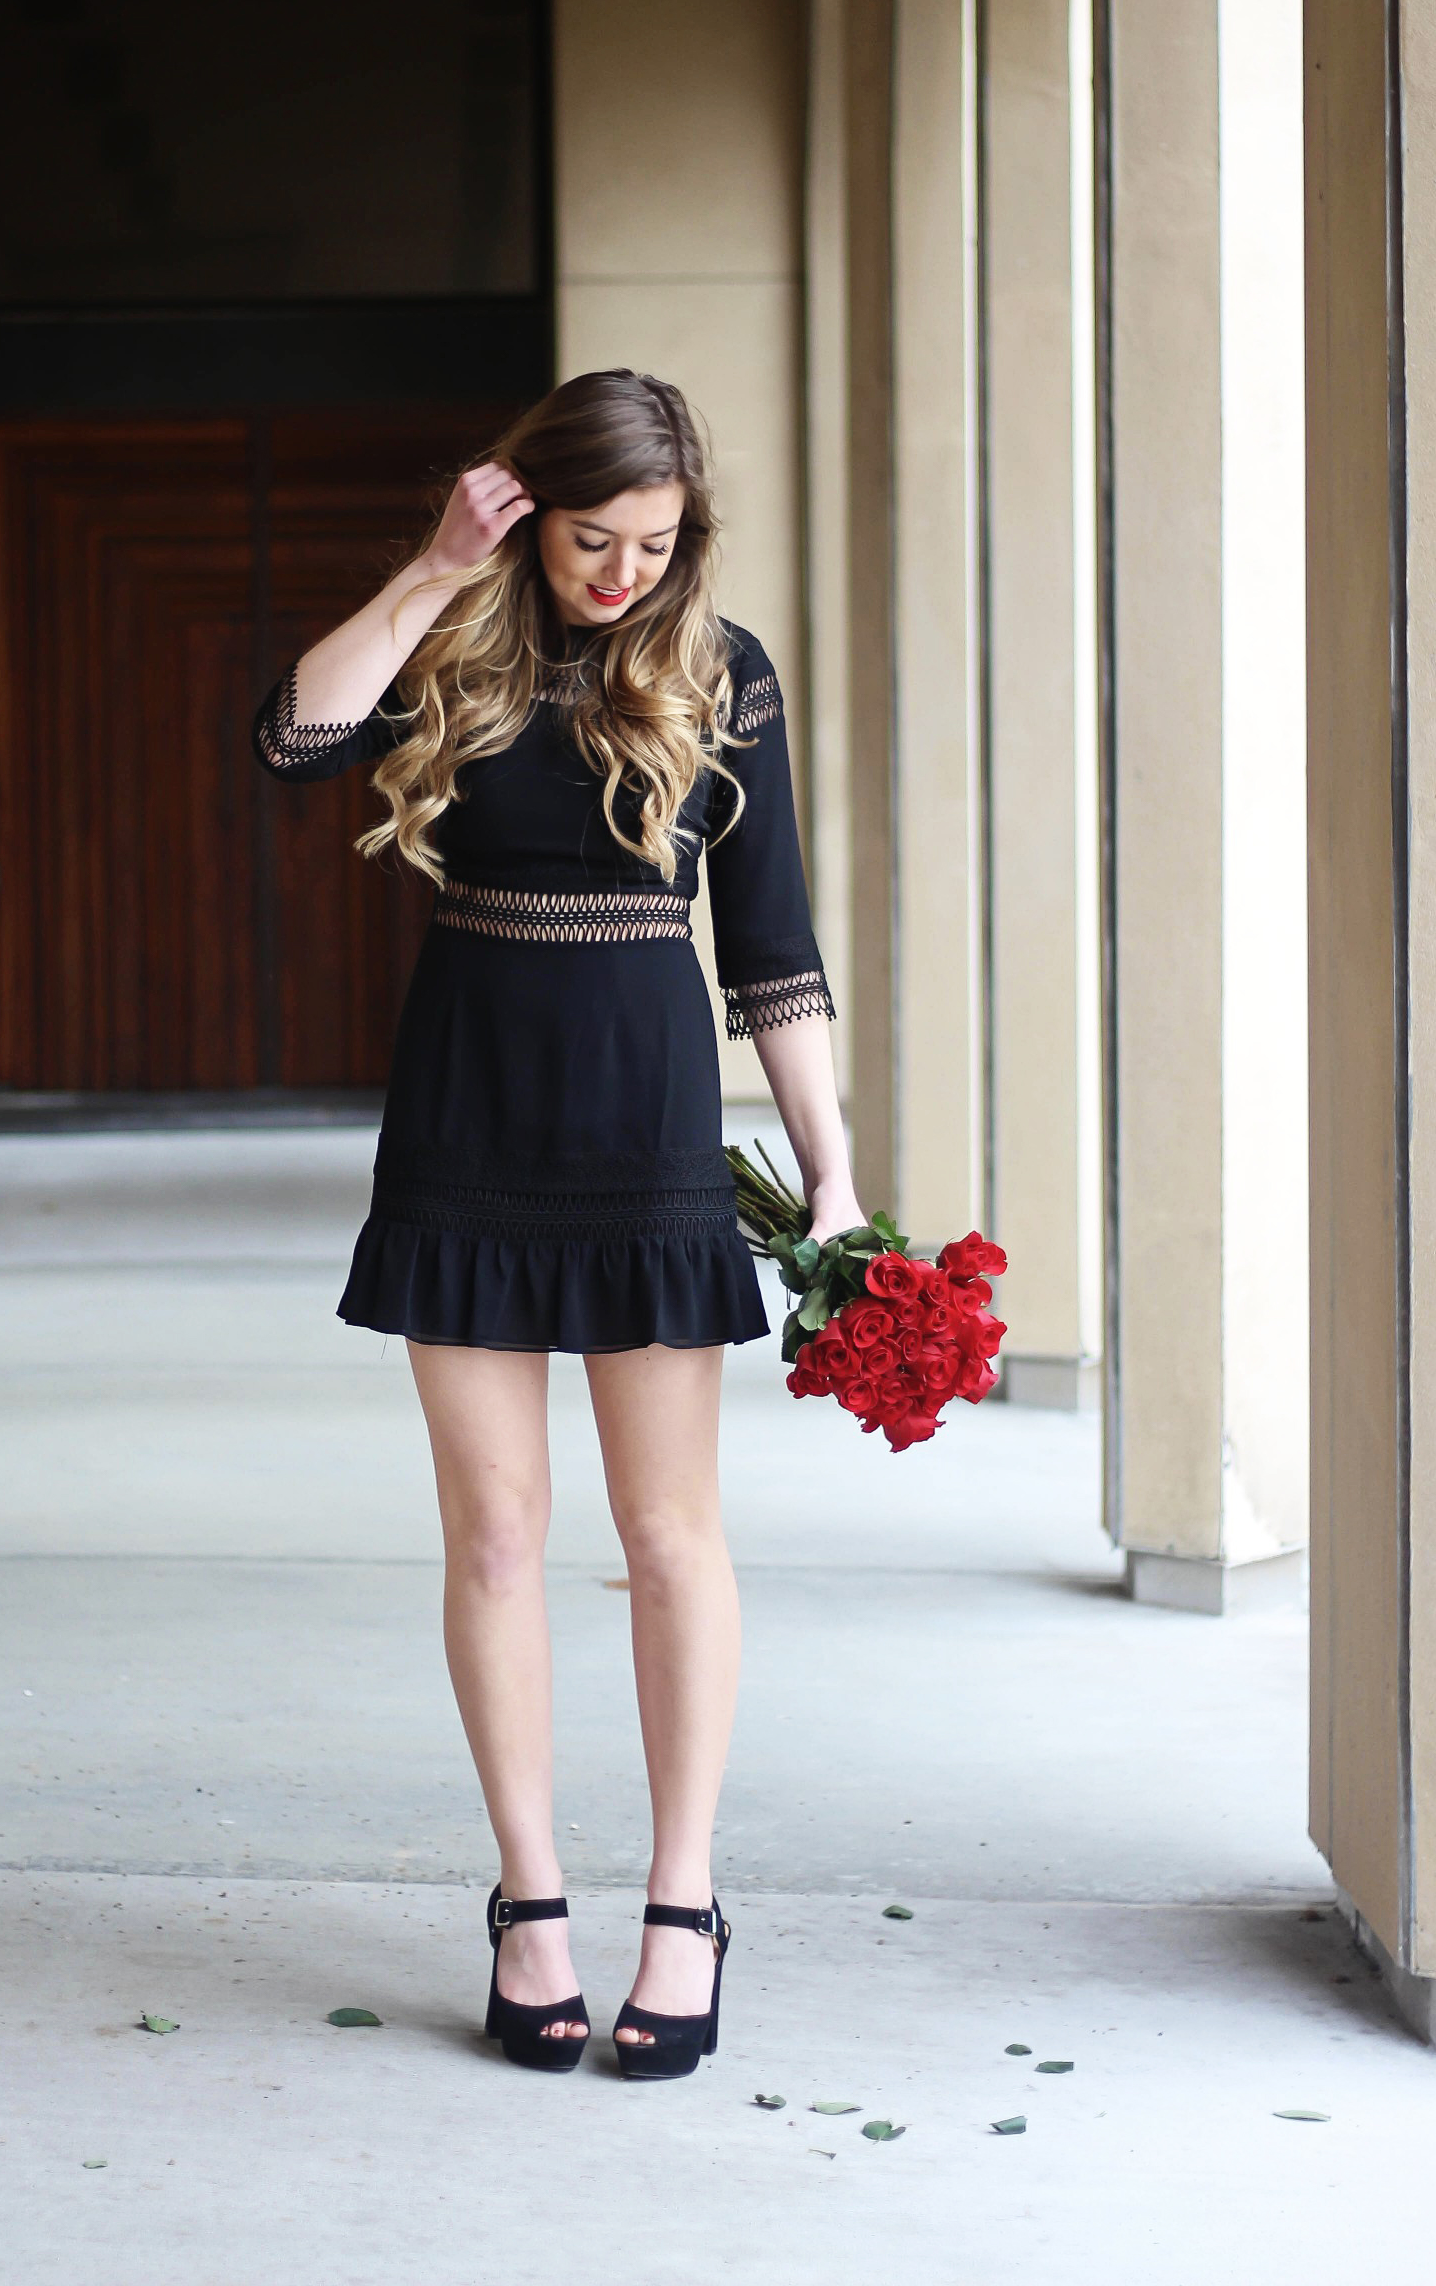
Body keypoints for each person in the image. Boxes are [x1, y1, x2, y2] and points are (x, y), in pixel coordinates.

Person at [253, 368, 860, 2079]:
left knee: (669, 1535)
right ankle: (531, 1898)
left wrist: (831, 1171)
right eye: (595, 539)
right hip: (464, 1125)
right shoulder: (459, 641)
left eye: (656, 544)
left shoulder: (720, 673)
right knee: (498, 1539)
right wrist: (437, 565)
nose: (623, 573)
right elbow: (293, 736)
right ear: (530, 511)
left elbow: (774, 952)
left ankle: (684, 1896)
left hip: (648, 1134)